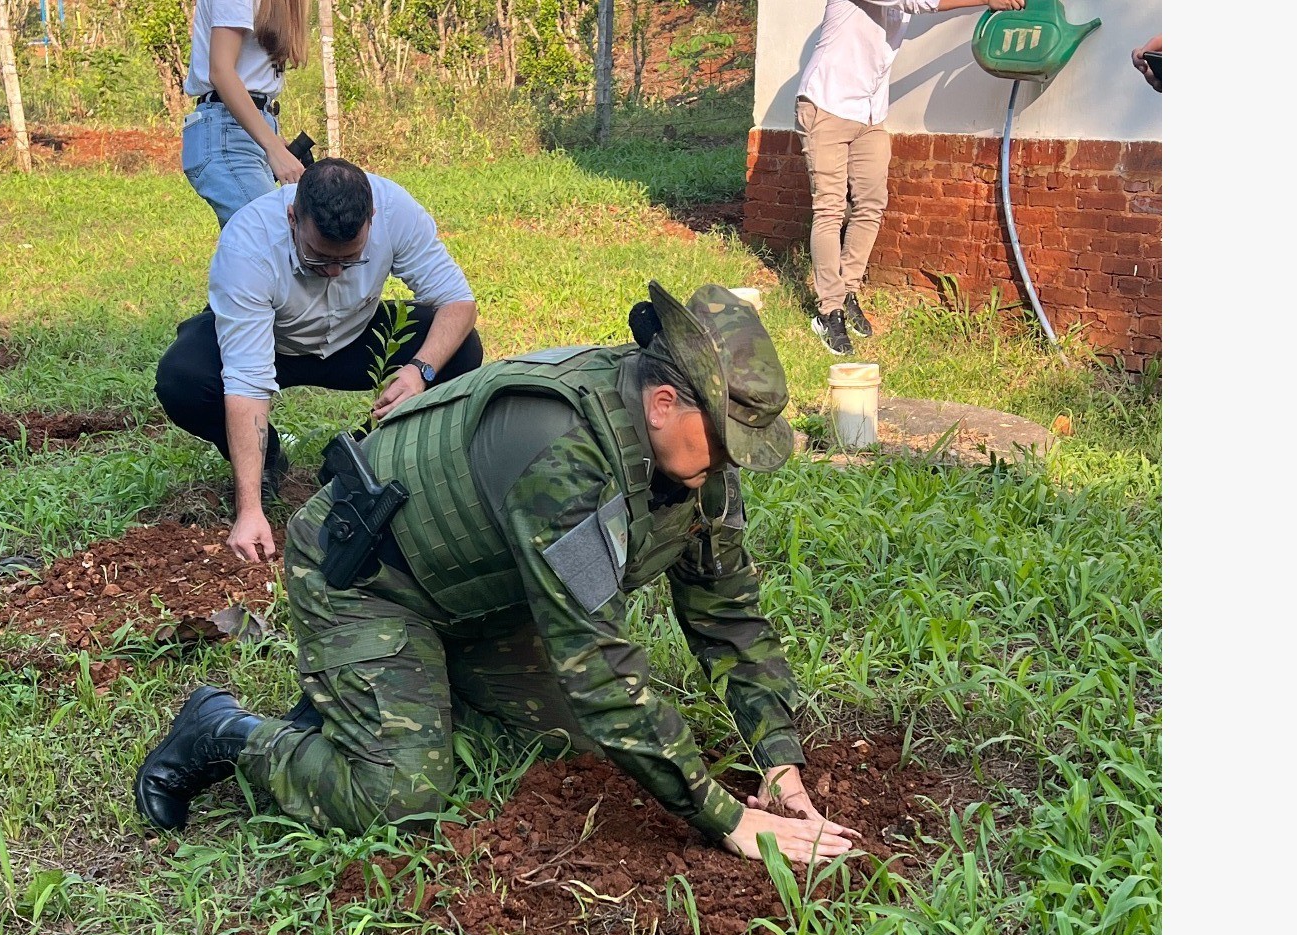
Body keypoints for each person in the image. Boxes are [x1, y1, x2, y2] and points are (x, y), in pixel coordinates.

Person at [135, 282, 862, 867]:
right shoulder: (562, 449)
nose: (731, 465)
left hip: (480, 595)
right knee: (399, 796)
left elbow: (728, 612)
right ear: (664, 402)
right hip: (369, 582)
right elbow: (599, 665)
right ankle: (226, 730)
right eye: (727, 442)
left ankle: (378, 696)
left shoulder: (697, 466)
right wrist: (725, 817)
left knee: (571, 742)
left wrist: (779, 761)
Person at [155, 156, 483, 564]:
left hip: (354, 335)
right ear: (293, 217)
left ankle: (363, 456)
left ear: (372, 219)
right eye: (317, 257)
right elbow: (247, 381)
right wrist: (250, 509)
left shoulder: (395, 210)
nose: (332, 271)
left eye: (350, 260)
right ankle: (268, 457)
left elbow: (458, 302)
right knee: (182, 378)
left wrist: (419, 371)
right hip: (273, 341)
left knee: (460, 348)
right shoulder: (248, 245)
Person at [796, 0, 1025, 354]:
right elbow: (922, 2)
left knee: (871, 204)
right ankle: (829, 310)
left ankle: (848, 291)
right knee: (829, 208)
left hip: (868, 114)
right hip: (826, 107)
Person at [182, 0, 310, 227]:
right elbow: (221, 71)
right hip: (225, 133)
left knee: (258, 249)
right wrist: (272, 147)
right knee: (274, 236)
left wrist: (271, 138)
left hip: (244, 129)